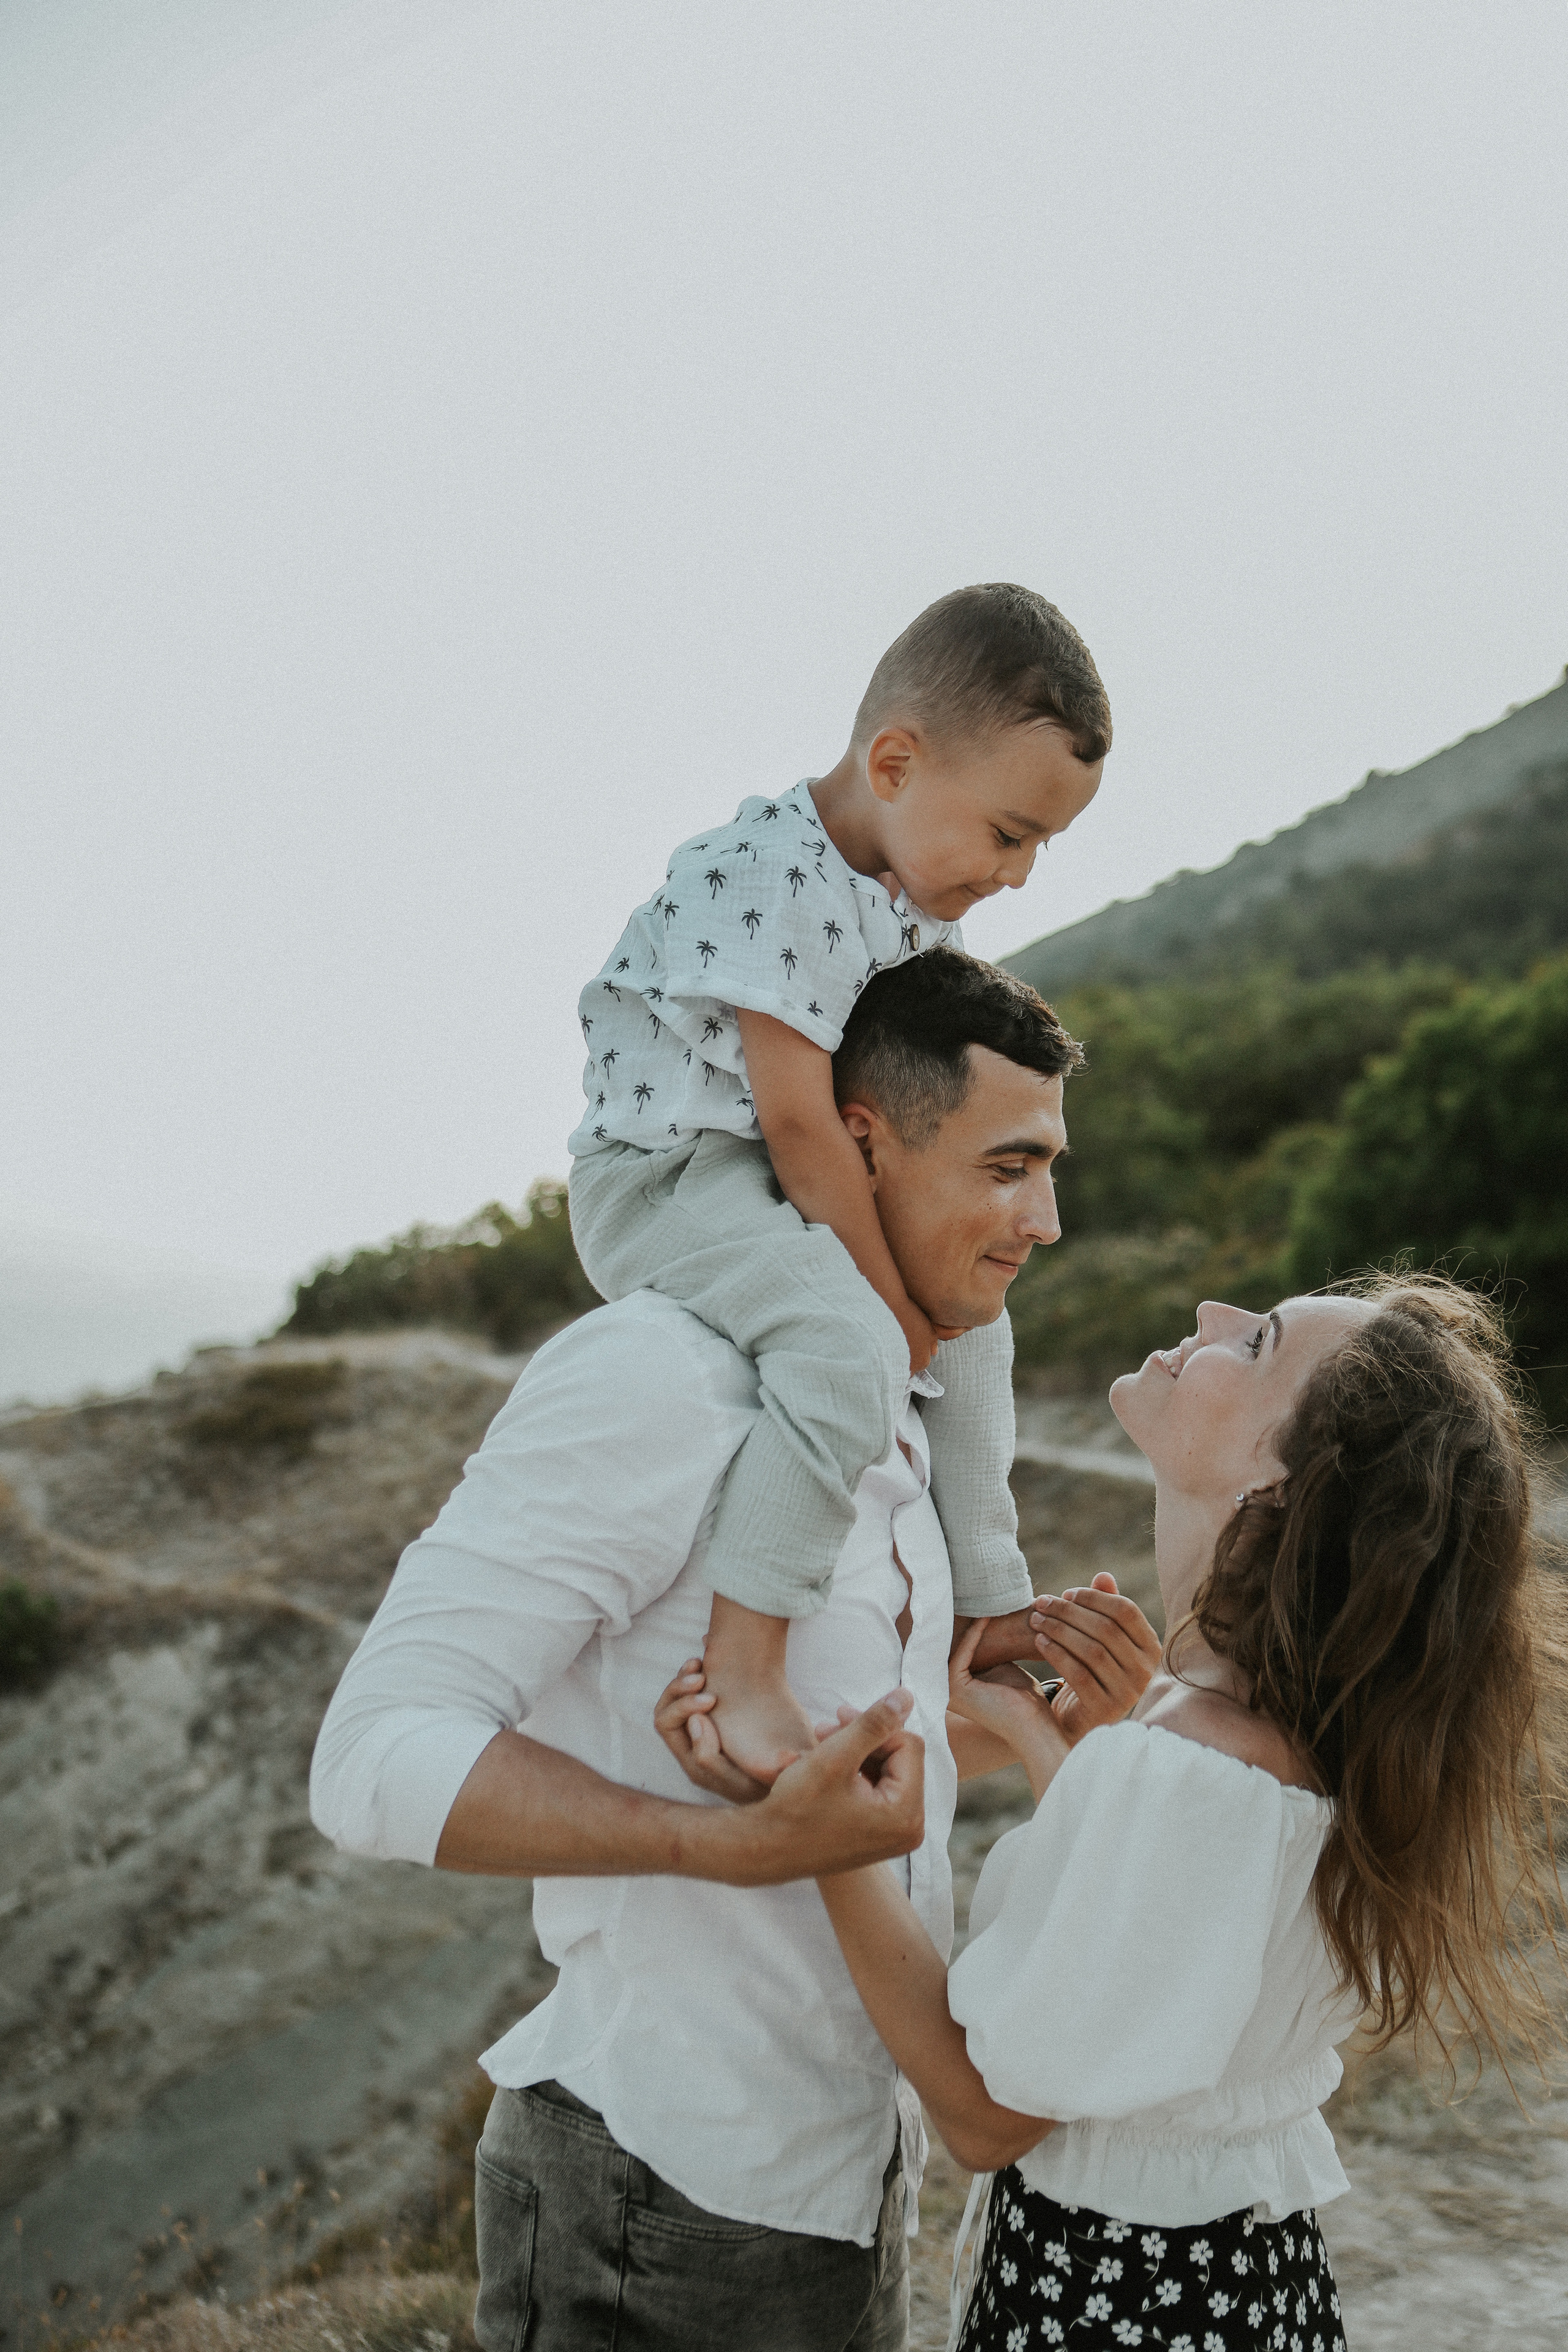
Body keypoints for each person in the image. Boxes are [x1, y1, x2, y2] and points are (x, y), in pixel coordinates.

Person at [309, 949, 1161, 2352]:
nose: (1046, 1220)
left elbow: (852, 1783)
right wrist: (727, 1846)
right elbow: (373, 1758)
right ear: (861, 1142)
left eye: (1051, 1168)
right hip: (652, 2196)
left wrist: (1022, 1733)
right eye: (1008, 1168)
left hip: (846, 2186)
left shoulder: (905, 1418)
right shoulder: (660, 1376)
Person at [659, 1275, 1567, 2352]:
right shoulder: (1246, 1724)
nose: (1216, 1318)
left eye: (1260, 1341)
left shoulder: (1192, 1768)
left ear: (1281, 1485)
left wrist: (825, 1843)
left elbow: (987, 2115)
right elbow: (1160, 1983)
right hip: (1230, 2290)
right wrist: (1067, 1753)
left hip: (1129, 2310)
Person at [567, 583, 1110, 1781]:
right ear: (895, 761)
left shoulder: (911, 909)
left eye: (1040, 847)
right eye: (1009, 833)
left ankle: (986, 1602)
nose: (1017, 874)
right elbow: (803, 1130)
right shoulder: (767, 875)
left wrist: (938, 1308)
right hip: (671, 1178)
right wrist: (889, 1315)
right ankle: (746, 1665)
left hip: (775, 1176)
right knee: (837, 1342)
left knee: (976, 1317)